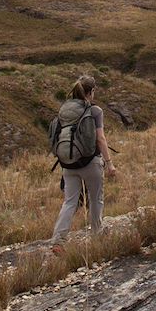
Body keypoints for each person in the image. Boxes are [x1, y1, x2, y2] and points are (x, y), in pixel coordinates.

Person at [50, 76, 116, 253]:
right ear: (90, 92)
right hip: (90, 162)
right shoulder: (94, 111)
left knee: (70, 202)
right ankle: (96, 234)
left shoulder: (64, 110)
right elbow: (100, 139)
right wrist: (109, 163)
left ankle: (58, 240)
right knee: (96, 199)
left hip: (68, 164)